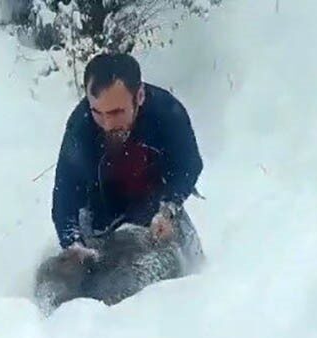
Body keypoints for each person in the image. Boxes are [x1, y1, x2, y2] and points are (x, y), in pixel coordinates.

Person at [51, 53, 205, 271]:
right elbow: (65, 191)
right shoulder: (81, 126)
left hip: (157, 205)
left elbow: (189, 164)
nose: (107, 124)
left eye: (116, 112)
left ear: (139, 96)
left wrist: (169, 208)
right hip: (100, 214)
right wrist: (72, 243)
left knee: (192, 266)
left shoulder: (167, 113)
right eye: (97, 112)